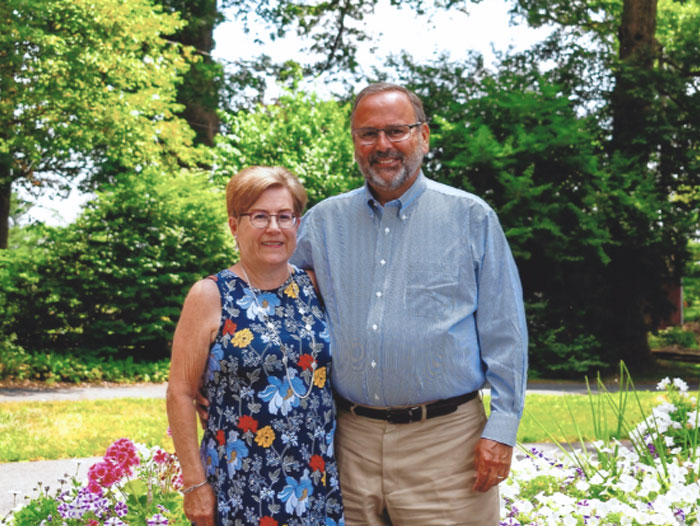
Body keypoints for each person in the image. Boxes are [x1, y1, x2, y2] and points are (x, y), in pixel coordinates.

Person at [289, 82, 528, 526]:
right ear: (355, 142)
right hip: (348, 444)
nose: (382, 145)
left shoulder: (471, 217)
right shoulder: (322, 223)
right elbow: (273, 302)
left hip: (447, 446)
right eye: (368, 133)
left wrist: (501, 430)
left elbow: (506, 332)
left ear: (424, 136)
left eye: (396, 131)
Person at [167, 166, 345, 526]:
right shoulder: (210, 295)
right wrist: (194, 483)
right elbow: (180, 393)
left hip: (313, 481)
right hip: (240, 485)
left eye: (284, 216)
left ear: (297, 223)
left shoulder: (314, 287)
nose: (274, 228)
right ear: (234, 225)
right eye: (260, 216)